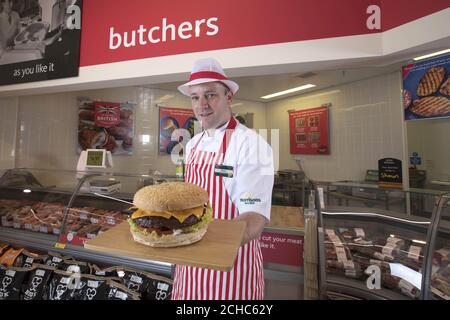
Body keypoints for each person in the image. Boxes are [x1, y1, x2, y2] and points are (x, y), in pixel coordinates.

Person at [172, 58, 274, 300]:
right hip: (189, 271)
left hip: (231, 275)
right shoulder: (194, 143)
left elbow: (254, 219)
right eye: (195, 97)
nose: (202, 105)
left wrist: (203, 242)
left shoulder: (251, 144)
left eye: (210, 95)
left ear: (229, 97)